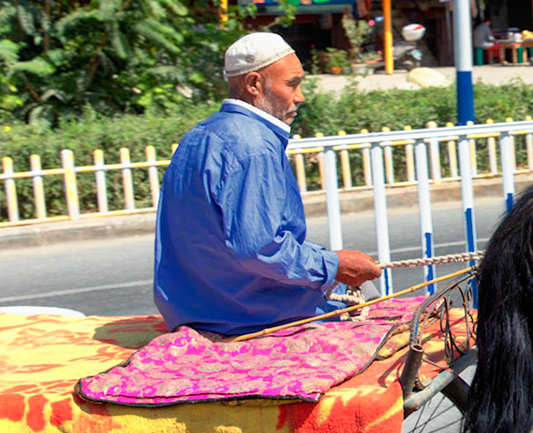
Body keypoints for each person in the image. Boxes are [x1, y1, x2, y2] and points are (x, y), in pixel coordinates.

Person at [153, 33, 380, 335]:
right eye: (292, 84)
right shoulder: (253, 145)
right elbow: (260, 248)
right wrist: (333, 264)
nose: (300, 96)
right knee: (375, 299)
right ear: (254, 84)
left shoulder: (199, 134)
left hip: (191, 306)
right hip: (243, 313)